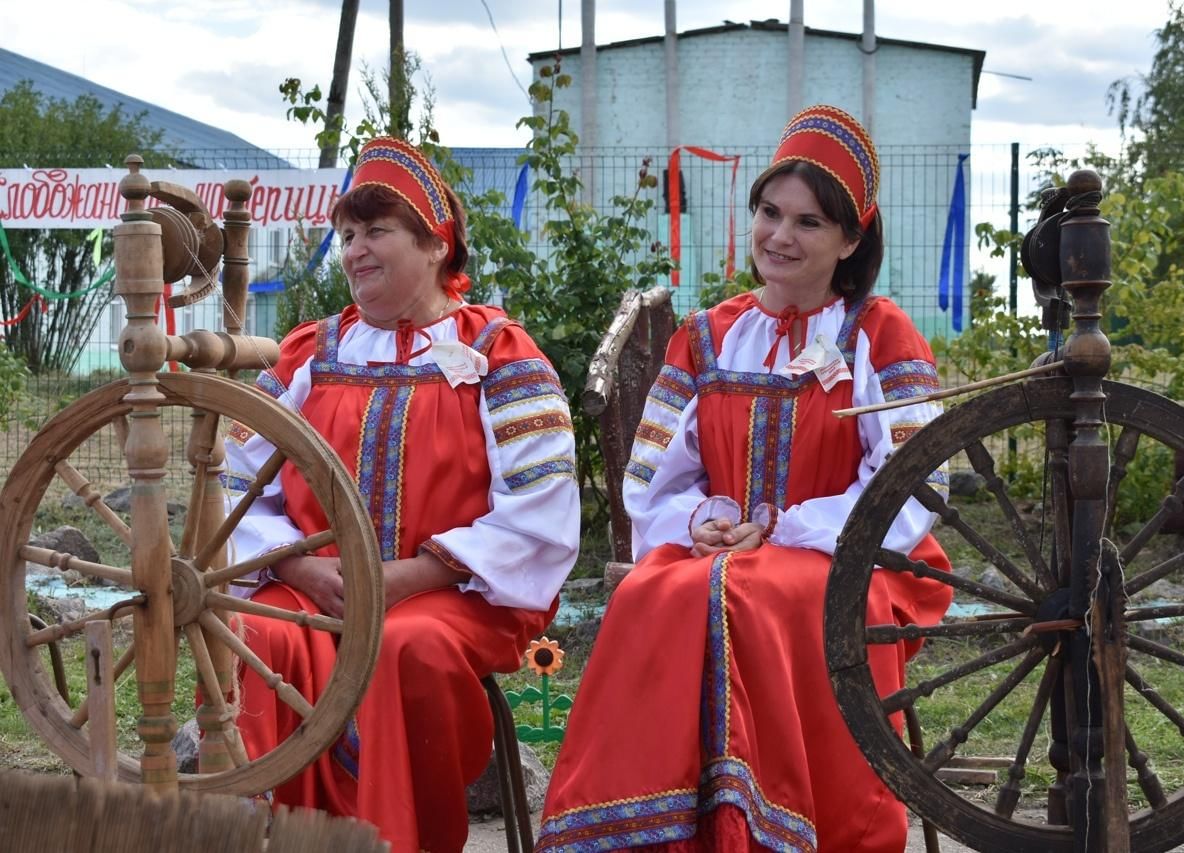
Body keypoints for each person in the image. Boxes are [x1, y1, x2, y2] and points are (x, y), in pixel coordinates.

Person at [535, 105, 952, 852]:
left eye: (809, 222)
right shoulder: (706, 337)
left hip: (848, 557)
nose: (780, 237)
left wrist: (788, 529)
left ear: (851, 239)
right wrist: (702, 520)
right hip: (717, 550)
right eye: (769, 212)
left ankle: (781, 828)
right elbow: (657, 478)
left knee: (745, 591)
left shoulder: (879, 334)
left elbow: (911, 483)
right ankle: (654, 832)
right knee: (653, 591)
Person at [222, 136, 580, 853]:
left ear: (435, 244)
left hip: (456, 592)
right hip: (315, 581)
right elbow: (234, 485)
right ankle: (282, 838)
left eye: (376, 231)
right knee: (255, 631)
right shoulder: (310, 354)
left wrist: (405, 577)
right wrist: (298, 567)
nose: (354, 249)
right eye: (347, 234)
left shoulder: (500, 354)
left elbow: (539, 504)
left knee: (402, 645)